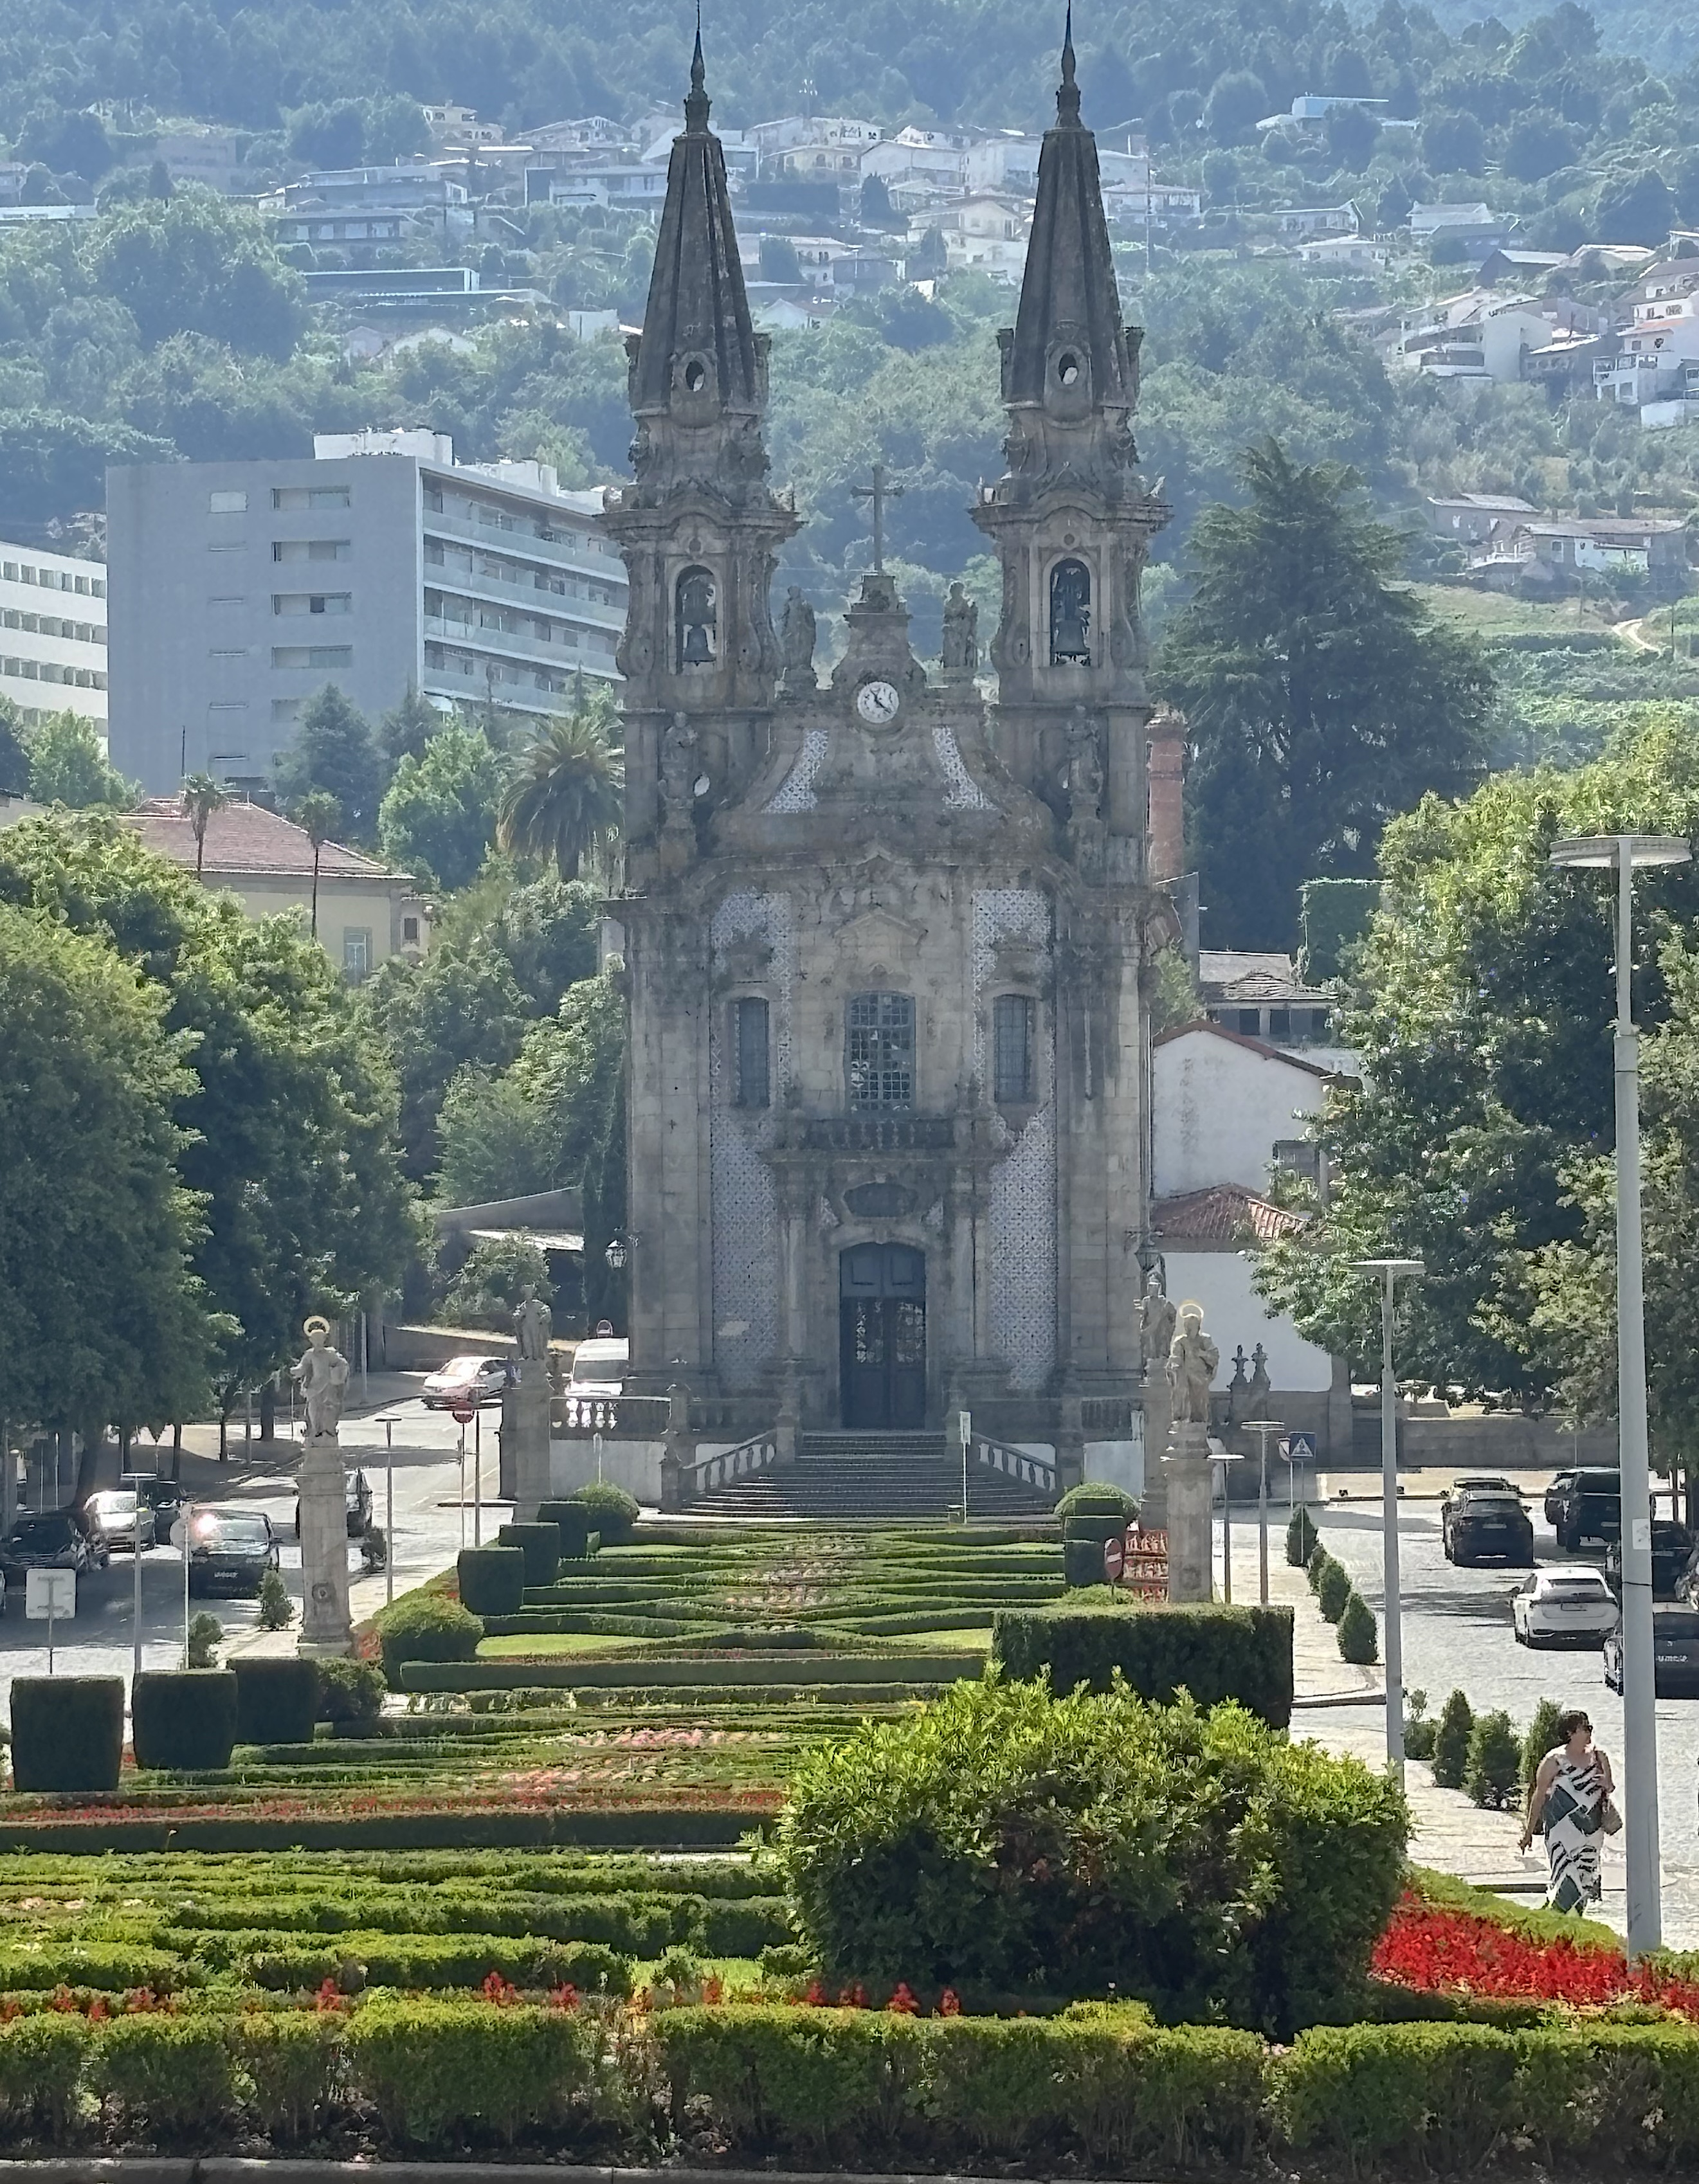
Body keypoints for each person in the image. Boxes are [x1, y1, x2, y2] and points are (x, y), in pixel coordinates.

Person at [1520, 1708, 1614, 1913]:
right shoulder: (1554, 1761)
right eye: (1585, 1728)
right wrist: (1528, 1833)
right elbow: (1538, 1796)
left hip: (1591, 1832)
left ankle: (1569, 1925)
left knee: (1585, 1881)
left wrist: (1606, 1783)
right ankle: (1556, 1926)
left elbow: (1610, 1787)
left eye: (1591, 1728)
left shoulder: (1599, 1757)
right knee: (1565, 1878)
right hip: (1561, 1832)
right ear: (1570, 1733)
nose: (1590, 1732)